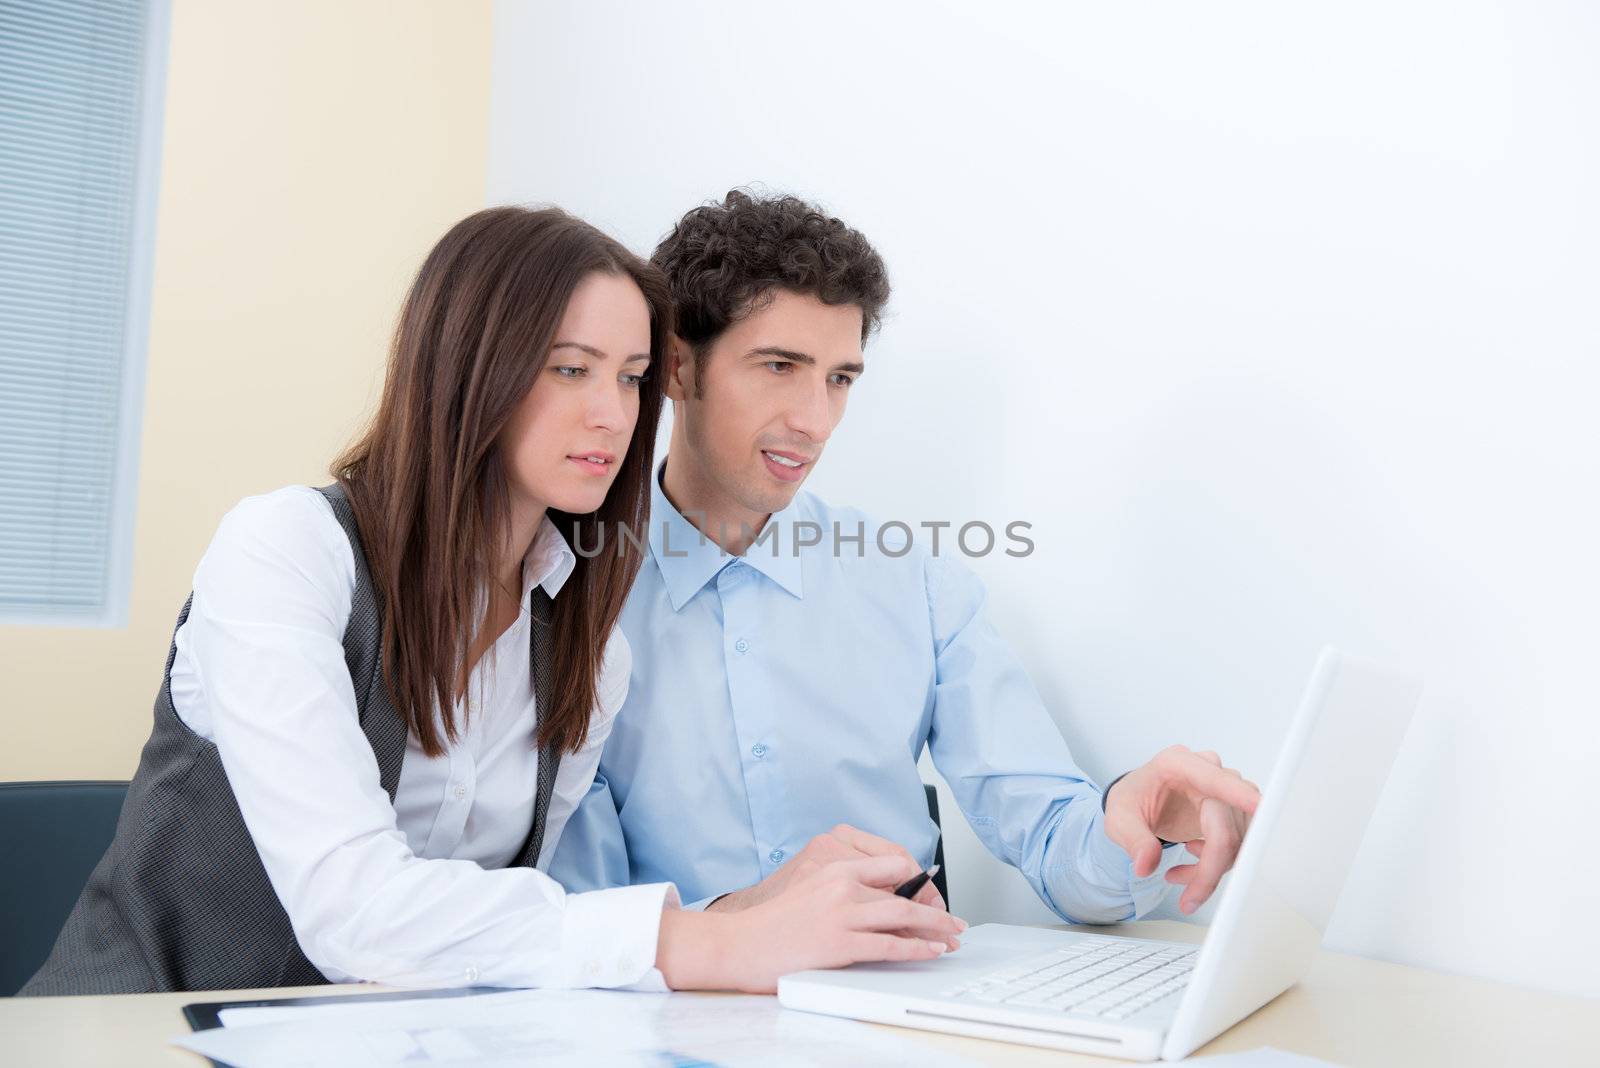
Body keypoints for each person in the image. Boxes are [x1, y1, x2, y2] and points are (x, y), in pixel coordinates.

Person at [20, 205, 960, 997]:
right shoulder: (287, 551)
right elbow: (355, 911)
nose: (613, 413)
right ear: (469, 366)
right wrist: (713, 944)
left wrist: (754, 908)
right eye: (569, 369)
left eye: (632, 379)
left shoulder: (588, 651)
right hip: (139, 1034)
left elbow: (520, 926)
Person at [549, 190, 1261, 923]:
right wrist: (750, 921)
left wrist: (1135, 824)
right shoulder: (564, 591)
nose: (815, 421)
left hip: (892, 1004)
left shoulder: (912, 585)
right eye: (778, 367)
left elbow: (1054, 841)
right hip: (667, 1018)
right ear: (676, 368)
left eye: (840, 378)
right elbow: (579, 913)